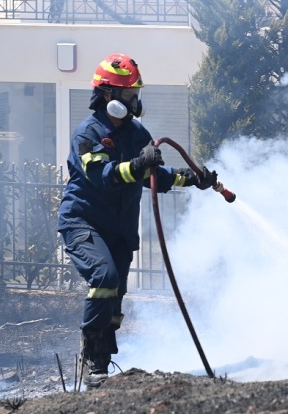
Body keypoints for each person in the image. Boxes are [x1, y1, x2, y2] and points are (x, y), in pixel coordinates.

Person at [58, 53, 217, 387]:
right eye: (128, 95)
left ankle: (101, 364)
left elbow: (152, 176)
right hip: (84, 223)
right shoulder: (87, 134)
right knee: (104, 278)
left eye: (135, 95)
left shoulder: (136, 132)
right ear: (106, 95)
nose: (134, 102)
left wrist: (193, 178)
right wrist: (138, 164)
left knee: (114, 300)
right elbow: (102, 175)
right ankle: (90, 357)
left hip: (119, 229)